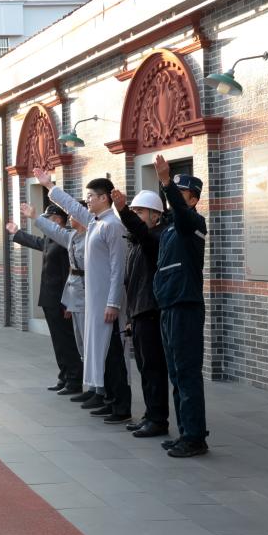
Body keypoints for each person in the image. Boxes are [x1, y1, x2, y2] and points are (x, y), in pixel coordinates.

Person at [36, 168, 132, 423]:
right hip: (94, 301)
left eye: (91, 196)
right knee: (101, 352)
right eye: (87, 196)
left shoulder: (113, 226)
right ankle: (109, 399)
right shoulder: (94, 223)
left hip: (107, 303)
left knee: (113, 354)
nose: (87, 200)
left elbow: (118, 269)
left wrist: (113, 302)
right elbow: (71, 206)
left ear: (104, 198)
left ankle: (121, 406)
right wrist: (50, 187)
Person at [153, 157, 210, 458]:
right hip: (169, 305)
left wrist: (166, 182)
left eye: (179, 194)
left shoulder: (193, 224)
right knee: (175, 373)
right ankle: (185, 431)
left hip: (185, 306)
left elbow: (181, 213)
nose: (172, 198)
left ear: (193, 199)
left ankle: (195, 437)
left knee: (187, 373)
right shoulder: (170, 229)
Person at [112, 188, 171, 439]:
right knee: (145, 369)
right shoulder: (137, 242)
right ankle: (150, 414)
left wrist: (123, 211)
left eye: (140, 211)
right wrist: (129, 318)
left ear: (156, 215)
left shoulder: (155, 238)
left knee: (153, 368)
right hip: (138, 312)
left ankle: (158, 420)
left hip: (150, 312)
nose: (136, 215)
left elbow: (141, 232)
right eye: (134, 211)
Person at [6, 202, 83, 395]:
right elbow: (37, 243)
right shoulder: (51, 238)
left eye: (48, 219)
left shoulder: (66, 240)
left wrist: (68, 302)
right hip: (49, 297)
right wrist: (17, 233)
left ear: (57, 219)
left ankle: (74, 380)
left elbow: (69, 273)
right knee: (58, 341)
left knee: (66, 341)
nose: (46, 222)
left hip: (61, 300)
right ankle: (64, 376)